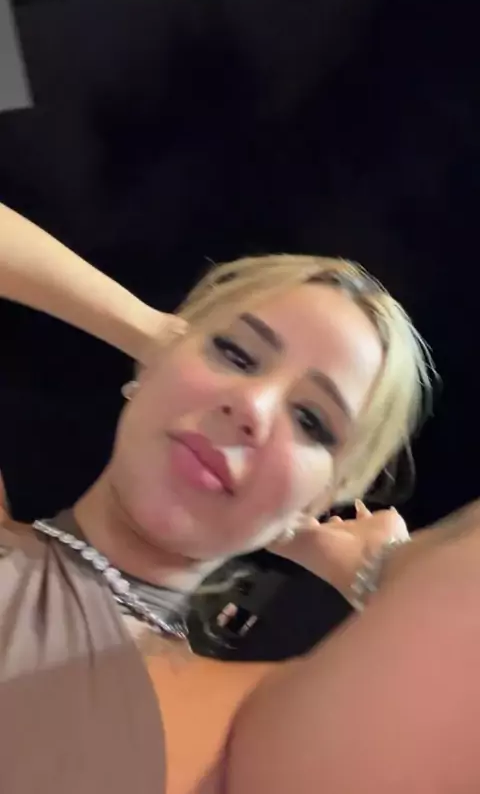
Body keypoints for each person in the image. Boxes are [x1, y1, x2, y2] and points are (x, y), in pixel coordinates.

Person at [1, 202, 479, 794]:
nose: (252, 405)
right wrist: (150, 335)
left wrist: (380, 571)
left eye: (311, 420)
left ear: (322, 500)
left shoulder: (232, 736)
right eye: (235, 353)